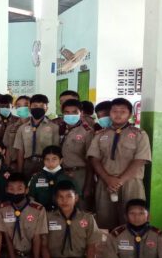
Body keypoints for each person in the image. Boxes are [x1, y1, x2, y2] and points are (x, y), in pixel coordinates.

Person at [87, 98, 150, 230]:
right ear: (110, 113)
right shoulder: (100, 135)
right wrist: (108, 179)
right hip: (105, 182)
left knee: (132, 220)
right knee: (105, 220)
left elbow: (140, 160)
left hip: (131, 183)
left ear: (130, 114)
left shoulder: (139, 134)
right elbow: (94, 159)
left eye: (123, 111)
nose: (118, 114)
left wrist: (119, 181)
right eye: (114, 111)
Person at [44, 181, 100, 258]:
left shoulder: (87, 218)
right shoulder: (48, 217)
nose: (64, 200)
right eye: (60, 197)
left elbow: (91, 243)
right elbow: (43, 244)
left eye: (69, 196)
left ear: (76, 198)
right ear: (55, 199)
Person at [0, 173, 49, 258]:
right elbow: (7, 238)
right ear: (6, 190)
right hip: (12, 256)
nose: (15, 193)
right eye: (11, 189)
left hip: (31, 257)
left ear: (26, 190)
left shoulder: (38, 209)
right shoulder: (3, 209)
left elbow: (37, 239)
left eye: (19, 189)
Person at [59, 99, 94, 211]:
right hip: (62, 173)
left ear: (81, 113)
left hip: (80, 175)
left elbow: (91, 161)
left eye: (74, 112)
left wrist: (88, 185)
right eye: (67, 112)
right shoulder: (60, 129)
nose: (70, 115)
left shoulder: (87, 131)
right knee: (64, 206)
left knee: (81, 207)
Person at [14, 94, 59, 178]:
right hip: (28, 164)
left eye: (42, 106)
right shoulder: (22, 128)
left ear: (46, 109)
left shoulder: (54, 127)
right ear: (29, 108)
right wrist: (20, 172)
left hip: (47, 164)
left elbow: (57, 151)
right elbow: (20, 152)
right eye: (35, 106)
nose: (38, 108)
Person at [27, 146, 75, 210]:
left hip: (62, 212)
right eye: (47, 159)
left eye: (54, 159)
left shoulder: (68, 178)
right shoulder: (36, 177)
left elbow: (75, 198)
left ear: (61, 160)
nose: (50, 162)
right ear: (43, 160)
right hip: (41, 212)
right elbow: (31, 197)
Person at [3, 95, 30, 169]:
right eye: (19, 106)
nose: (22, 108)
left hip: (30, 165)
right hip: (14, 165)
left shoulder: (35, 126)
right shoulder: (11, 127)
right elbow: (8, 150)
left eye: (26, 105)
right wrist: (6, 168)